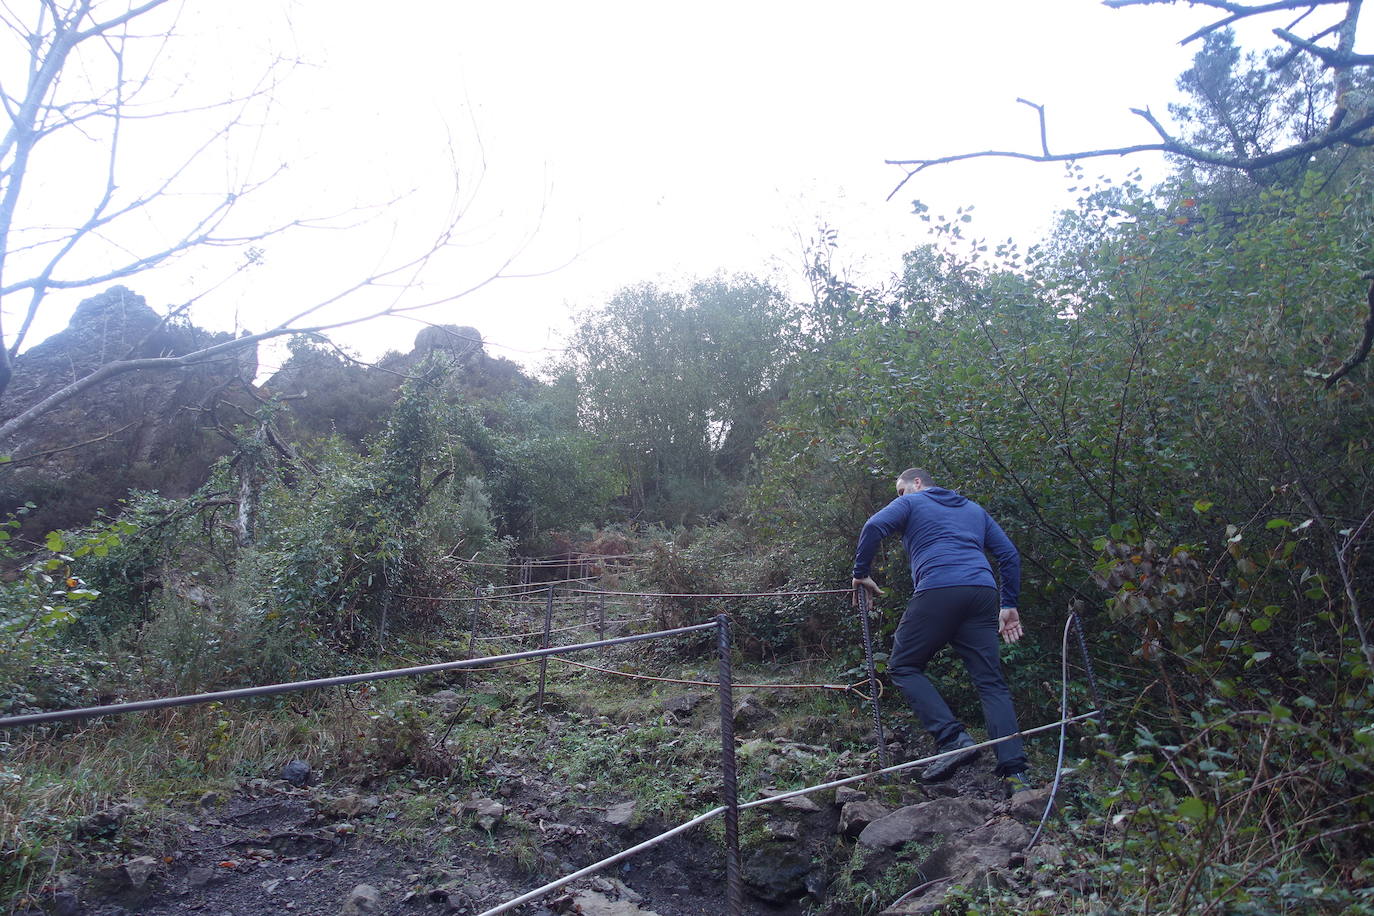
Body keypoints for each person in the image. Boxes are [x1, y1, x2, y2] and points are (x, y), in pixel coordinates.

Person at [851, 467, 1032, 795]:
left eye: (900, 490)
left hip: (939, 589)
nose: (899, 497)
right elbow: (1008, 555)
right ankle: (1016, 777)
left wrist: (861, 573)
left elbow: (874, 526)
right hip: (982, 593)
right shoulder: (974, 510)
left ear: (917, 483)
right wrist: (1009, 604)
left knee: (903, 666)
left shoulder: (912, 502)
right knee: (991, 683)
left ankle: (953, 739)